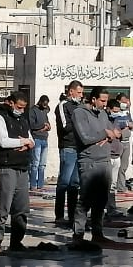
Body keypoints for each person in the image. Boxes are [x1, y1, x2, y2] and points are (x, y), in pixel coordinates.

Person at [70, 87, 119, 249]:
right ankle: (78, 235)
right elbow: (85, 137)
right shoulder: (80, 113)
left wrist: (111, 133)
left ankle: (98, 233)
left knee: (101, 200)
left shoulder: (103, 113)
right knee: (85, 199)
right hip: (89, 161)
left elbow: (113, 132)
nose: (105, 105)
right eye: (102, 101)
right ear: (93, 99)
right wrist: (105, 133)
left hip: (104, 160)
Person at [0, 92, 33, 255]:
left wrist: (27, 143)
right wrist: (23, 141)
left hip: (22, 167)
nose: (21, 110)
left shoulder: (23, 119)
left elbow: (31, 139)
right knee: (3, 207)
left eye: (23, 108)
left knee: (21, 208)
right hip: (6, 167)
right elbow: (3, 141)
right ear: (11, 103)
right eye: (19, 107)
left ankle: (16, 241)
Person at [53, 80, 83, 229]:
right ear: (71, 91)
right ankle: (59, 215)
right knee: (64, 182)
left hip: (79, 147)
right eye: (79, 92)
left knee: (74, 184)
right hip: (68, 147)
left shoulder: (80, 106)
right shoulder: (63, 105)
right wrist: (78, 121)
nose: (81, 95)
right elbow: (65, 126)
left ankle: (72, 215)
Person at [26, 95, 51, 191]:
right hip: (36, 138)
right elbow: (32, 124)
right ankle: (33, 184)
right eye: (44, 104)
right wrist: (42, 127)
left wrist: (47, 126)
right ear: (40, 102)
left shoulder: (44, 111)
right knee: (35, 163)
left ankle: (40, 184)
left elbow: (47, 123)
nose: (45, 106)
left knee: (42, 164)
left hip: (44, 138)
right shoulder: (33, 110)